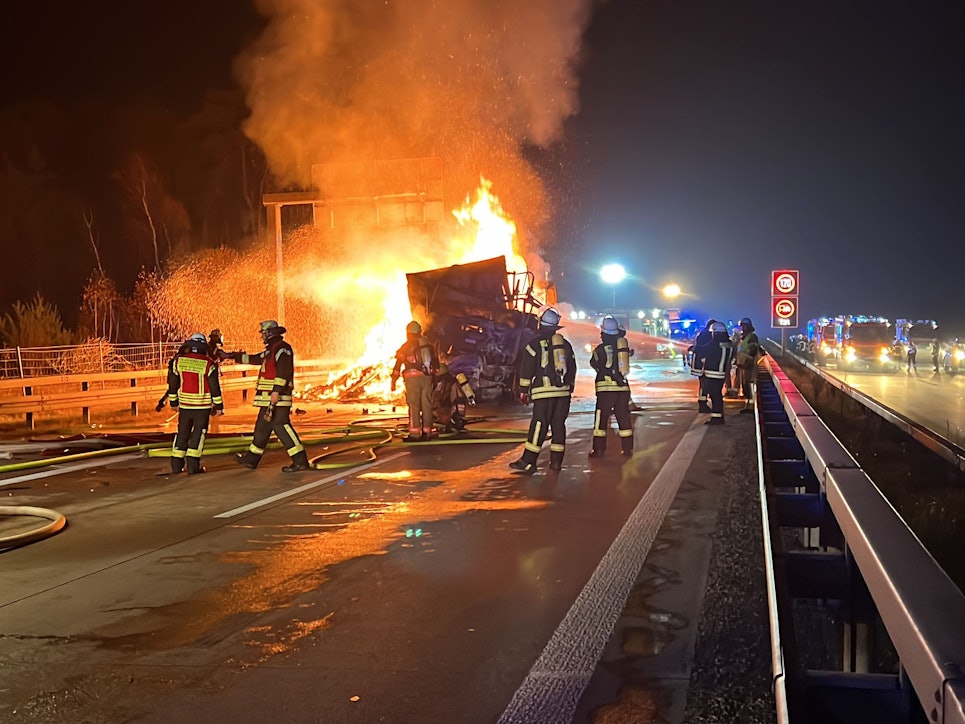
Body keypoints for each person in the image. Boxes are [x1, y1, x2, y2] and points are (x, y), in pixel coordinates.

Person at [229, 320, 311, 472]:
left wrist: (276, 391)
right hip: (268, 399)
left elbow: (284, 371)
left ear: (270, 333)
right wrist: (231, 355)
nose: (262, 337)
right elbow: (254, 359)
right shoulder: (271, 350)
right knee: (261, 428)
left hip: (278, 398)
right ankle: (251, 459)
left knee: (281, 427)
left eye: (263, 334)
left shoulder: (282, 349)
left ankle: (300, 461)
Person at [510, 307, 576, 475]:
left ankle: (528, 462)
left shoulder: (533, 345)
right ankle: (555, 463)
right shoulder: (565, 345)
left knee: (539, 424)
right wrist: (569, 387)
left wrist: (523, 390)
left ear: (541, 324)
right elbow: (573, 368)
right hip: (563, 393)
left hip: (542, 393)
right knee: (558, 425)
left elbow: (526, 369)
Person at [157, 333, 224, 474]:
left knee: (182, 433)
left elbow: (173, 384)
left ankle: (176, 465)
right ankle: (193, 467)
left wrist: (174, 402)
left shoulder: (178, 362)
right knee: (198, 435)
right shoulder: (209, 364)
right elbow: (214, 387)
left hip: (185, 406)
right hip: (202, 407)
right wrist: (219, 406)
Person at [589, 315, 634, 457]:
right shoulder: (623, 348)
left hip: (605, 390)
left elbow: (594, 363)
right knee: (623, 418)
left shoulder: (600, 349)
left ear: (603, 333)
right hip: (623, 389)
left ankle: (599, 450)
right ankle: (627, 449)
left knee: (601, 419)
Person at [390, 321, 438, 441]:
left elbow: (398, 364)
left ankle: (415, 434)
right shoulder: (428, 345)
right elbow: (436, 364)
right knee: (427, 405)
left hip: (413, 380)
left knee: (414, 405)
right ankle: (427, 432)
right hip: (427, 378)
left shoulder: (406, 346)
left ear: (408, 333)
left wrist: (393, 381)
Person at [692, 321, 733, 425]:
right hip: (721, 374)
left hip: (712, 374)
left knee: (715, 396)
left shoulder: (715, 344)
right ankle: (718, 416)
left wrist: (694, 348)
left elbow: (704, 350)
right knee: (717, 395)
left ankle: (717, 417)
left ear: (716, 333)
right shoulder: (729, 344)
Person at [431, 363, 472, 433]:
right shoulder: (453, 380)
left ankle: (445, 423)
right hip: (457, 414)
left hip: (449, 412)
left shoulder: (443, 382)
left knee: (430, 410)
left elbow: (438, 397)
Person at [690, 320, 717, 412]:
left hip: (699, 363)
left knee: (703, 384)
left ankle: (703, 403)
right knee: (705, 384)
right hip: (702, 363)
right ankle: (702, 405)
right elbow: (708, 348)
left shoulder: (703, 333)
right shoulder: (707, 335)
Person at [736, 317, 760, 413]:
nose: (741, 328)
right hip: (743, 366)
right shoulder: (744, 337)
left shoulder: (752, 337)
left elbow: (751, 351)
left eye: (743, 326)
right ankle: (748, 405)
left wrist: (746, 361)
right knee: (745, 386)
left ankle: (751, 406)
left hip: (749, 366)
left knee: (749, 385)